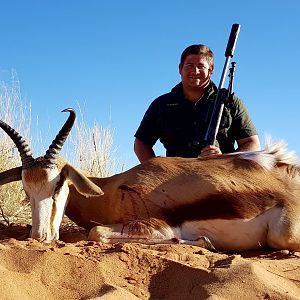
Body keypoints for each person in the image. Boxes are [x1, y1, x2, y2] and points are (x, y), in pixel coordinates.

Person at [134, 44, 260, 163]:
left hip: (220, 175)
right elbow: (141, 143)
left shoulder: (231, 103)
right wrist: (155, 171)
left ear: (211, 70)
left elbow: (252, 143)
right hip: (176, 178)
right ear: (180, 68)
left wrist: (225, 159)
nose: (195, 71)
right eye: (189, 65)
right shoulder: (161, 104)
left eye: (201, 66)